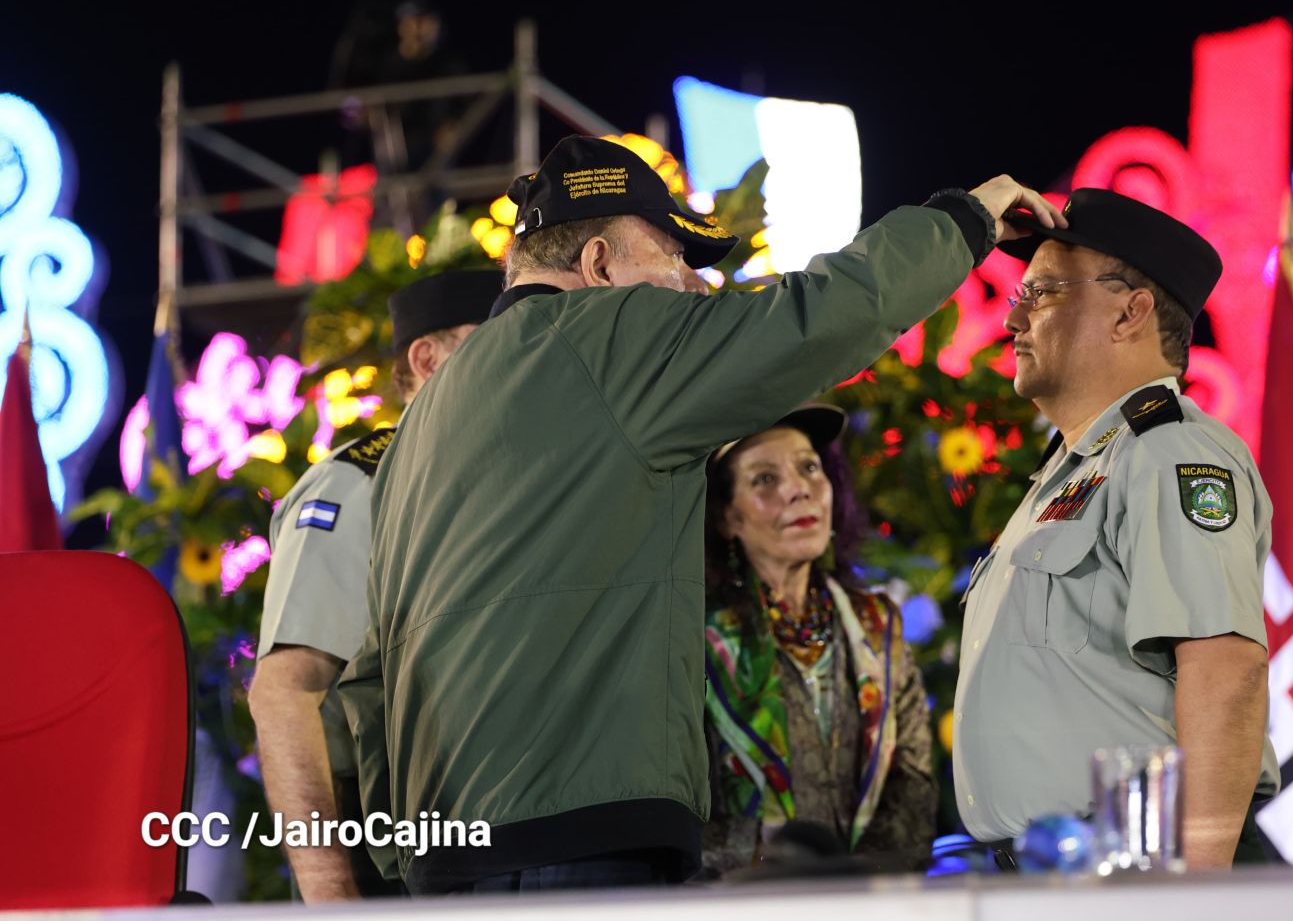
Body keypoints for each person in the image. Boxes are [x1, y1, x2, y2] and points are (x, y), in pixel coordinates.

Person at [339, 134, 1064, 895]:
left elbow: (368, 673)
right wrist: (964, 219)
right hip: (579, 837)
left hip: (446, 854)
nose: (693, 286)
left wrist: (399, 854)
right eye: (674, 258)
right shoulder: (605, 338)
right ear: (599, 265)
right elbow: (819, 316)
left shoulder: (418, 426)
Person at [949, 188, 1278, 870]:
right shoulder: (1072, 472)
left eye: (1042, 292)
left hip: (1142, 867)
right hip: (1064, 870)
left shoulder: (1168, 451)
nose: (1013, 317)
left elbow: (1225, 668)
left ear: (1131, 313)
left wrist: (1193, 893)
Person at [248, 268, 502, 901]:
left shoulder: (500, 482)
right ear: (427, 358)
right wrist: (329, 890)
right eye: (497, 340)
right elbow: (286, 693)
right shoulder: (361, 482)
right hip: (382, 859)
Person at [700, 405, 935, 877]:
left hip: (866, 898)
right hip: (745, 899)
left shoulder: (876, 625)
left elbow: (913, 782)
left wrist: (857, 879)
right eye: (765, 479)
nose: (798, 489)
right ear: (727, 518)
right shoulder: (698, 643)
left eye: (809, 467)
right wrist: (780, 864)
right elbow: (682, 812)